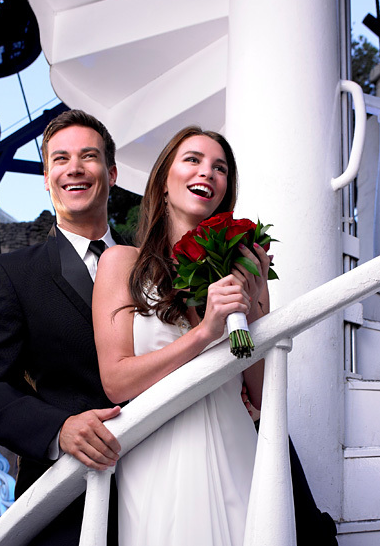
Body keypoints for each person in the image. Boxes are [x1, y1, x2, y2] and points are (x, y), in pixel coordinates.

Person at [92, 126, 271, 546]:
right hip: (160, 456)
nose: (207, 172)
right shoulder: (121, 263)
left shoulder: (241, 273)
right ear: (164, 182)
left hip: (236, 447)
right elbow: (116, 380)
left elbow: (263, 393)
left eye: (220, 167)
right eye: (192, 159)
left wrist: (256, 297)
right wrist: (206, 331)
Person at [0, 109, 123, 546]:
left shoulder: (154, 266)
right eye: (61, 158)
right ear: (47, 176)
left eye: (88, 156)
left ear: (110, 172)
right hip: (65, 497)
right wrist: (59, 429)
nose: (74, 168)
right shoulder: (12, 274)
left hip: (164, 483)